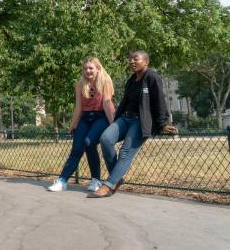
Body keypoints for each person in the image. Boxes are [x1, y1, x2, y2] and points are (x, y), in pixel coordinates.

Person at [88, 50, 177, 198]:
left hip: (140, 121)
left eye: (136, 59)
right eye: (130, 59)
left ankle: (108, 185)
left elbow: (159, 101)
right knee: (105, 139)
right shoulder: (132, 79)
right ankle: (116, 178)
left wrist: (162, 123)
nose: (132, 62)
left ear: (146, 62)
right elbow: (125, 101)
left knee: (125, 152)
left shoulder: (152, 78)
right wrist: (116, 119)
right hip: (125, 118)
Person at [47, 57, 116, 193]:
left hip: (100, 117)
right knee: (77, 148)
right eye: (85, 68)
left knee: (89, 142)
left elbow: (107, 103)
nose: (88, 71)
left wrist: (114, 124)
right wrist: (73, 124)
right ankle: (62, 180)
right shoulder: (80, 84)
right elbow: (78, 107)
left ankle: (96, 180)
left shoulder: (105, 81)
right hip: (85, 117)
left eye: (91, 68)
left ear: (98, 69)